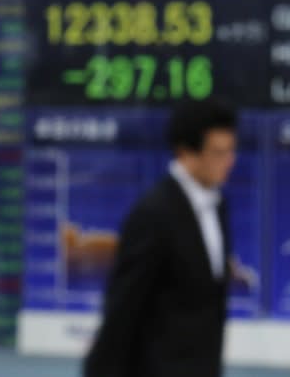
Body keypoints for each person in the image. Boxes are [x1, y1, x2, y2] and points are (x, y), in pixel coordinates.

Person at [83, 97, 238, 377]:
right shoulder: (153, 215)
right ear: (185, 153)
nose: (229, 162)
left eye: (231, 151)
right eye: (218, 153)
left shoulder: (219, 206)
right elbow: (123, 308)